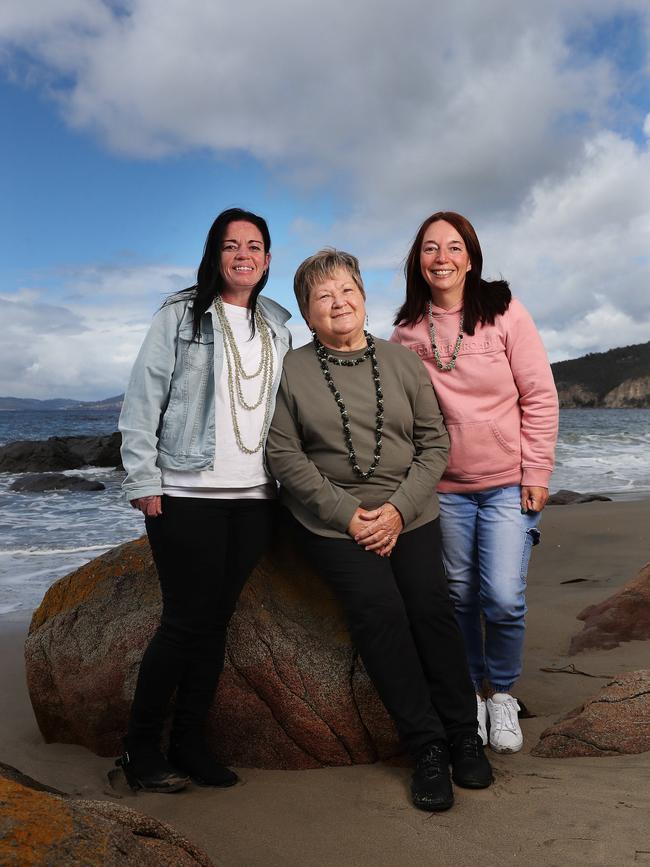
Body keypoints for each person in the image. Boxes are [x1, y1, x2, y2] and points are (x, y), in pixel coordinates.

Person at [266, 248, 492, 812]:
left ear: (364, 299)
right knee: (382, 614)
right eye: (323, 296)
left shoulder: (402, 362)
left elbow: (434, 442)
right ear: (307, 312)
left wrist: (396, 511)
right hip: (333, 521)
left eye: (347, 290)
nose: (338, 302)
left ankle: (464, 732)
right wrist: (347, 514)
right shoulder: (290, 370)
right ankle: (427, 747)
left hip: (409, 510)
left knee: (431, 609)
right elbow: (284, 454)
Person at [117, 208, 291, 792]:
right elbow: (144, 397)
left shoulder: (278, 325)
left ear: (268, 259)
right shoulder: (179, 314)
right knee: (184, 622)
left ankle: (188, 744)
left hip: (255, 497)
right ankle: (140, 751)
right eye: (230, 244)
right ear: (214, 254)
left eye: (255, 245)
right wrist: (143, 477)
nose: (243, 254)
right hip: (186, 491)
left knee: (216, 623)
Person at [391, 211, 558, 754]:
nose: (442, 258)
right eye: (431, 248)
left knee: (504, 598)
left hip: (509, 482)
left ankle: (502, 693)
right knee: (459, 596)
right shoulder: (406, 332)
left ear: (470, 257)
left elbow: (539, 396)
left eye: (454, 247)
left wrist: (536, 471)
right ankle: (471, 696)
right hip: (445, 489)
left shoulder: (505, 312)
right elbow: (398, 415)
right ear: (418, 260)